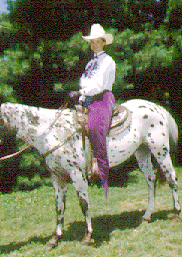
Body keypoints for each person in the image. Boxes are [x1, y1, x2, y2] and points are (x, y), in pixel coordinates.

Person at [72, 24, 116, 197]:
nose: (94, 44)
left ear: (104, 42)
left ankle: (99, 167)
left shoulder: (107, 61)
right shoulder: (90, 63)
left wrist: (82, 93)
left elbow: (97, 85)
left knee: (96, 126)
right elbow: (85, 82)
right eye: (92, 42)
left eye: (97, 41)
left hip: (102, 98)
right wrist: (81, 98)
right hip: (88, 98)